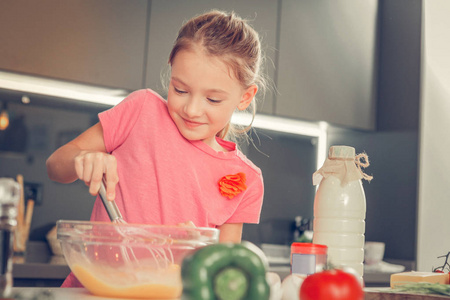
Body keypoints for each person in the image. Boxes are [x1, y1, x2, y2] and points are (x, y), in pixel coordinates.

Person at [46, 10, 266, 287]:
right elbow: (55, 166)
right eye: (180, 90)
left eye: (212, 99)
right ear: (171, 71)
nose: (192, 109)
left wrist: (196, 252)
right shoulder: (141, 111)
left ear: (245, 97)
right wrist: (81, 158)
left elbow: (220, 272)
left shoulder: (246, 178)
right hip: (95, 290)